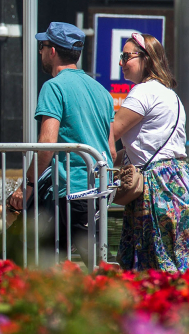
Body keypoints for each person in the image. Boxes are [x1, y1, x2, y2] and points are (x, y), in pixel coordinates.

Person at [8, 22, 115, 266]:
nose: (40, 52)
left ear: (53, 50)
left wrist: (28, 186)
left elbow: (47, 142)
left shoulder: (54, 87)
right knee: (95, 266)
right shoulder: (102, 92)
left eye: (42, 46)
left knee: (42, 265)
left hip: (68, 192)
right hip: (98, 192)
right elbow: (110, 150)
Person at [111, 33, 189, 272]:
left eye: (126, 56)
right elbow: (149, 146)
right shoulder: (171, 96)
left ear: (147, 58)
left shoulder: (142, 92)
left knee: (153, 264)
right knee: (179, 262)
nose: (121, 62)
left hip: (157, 187)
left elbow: (110, 133)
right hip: (181, 182)